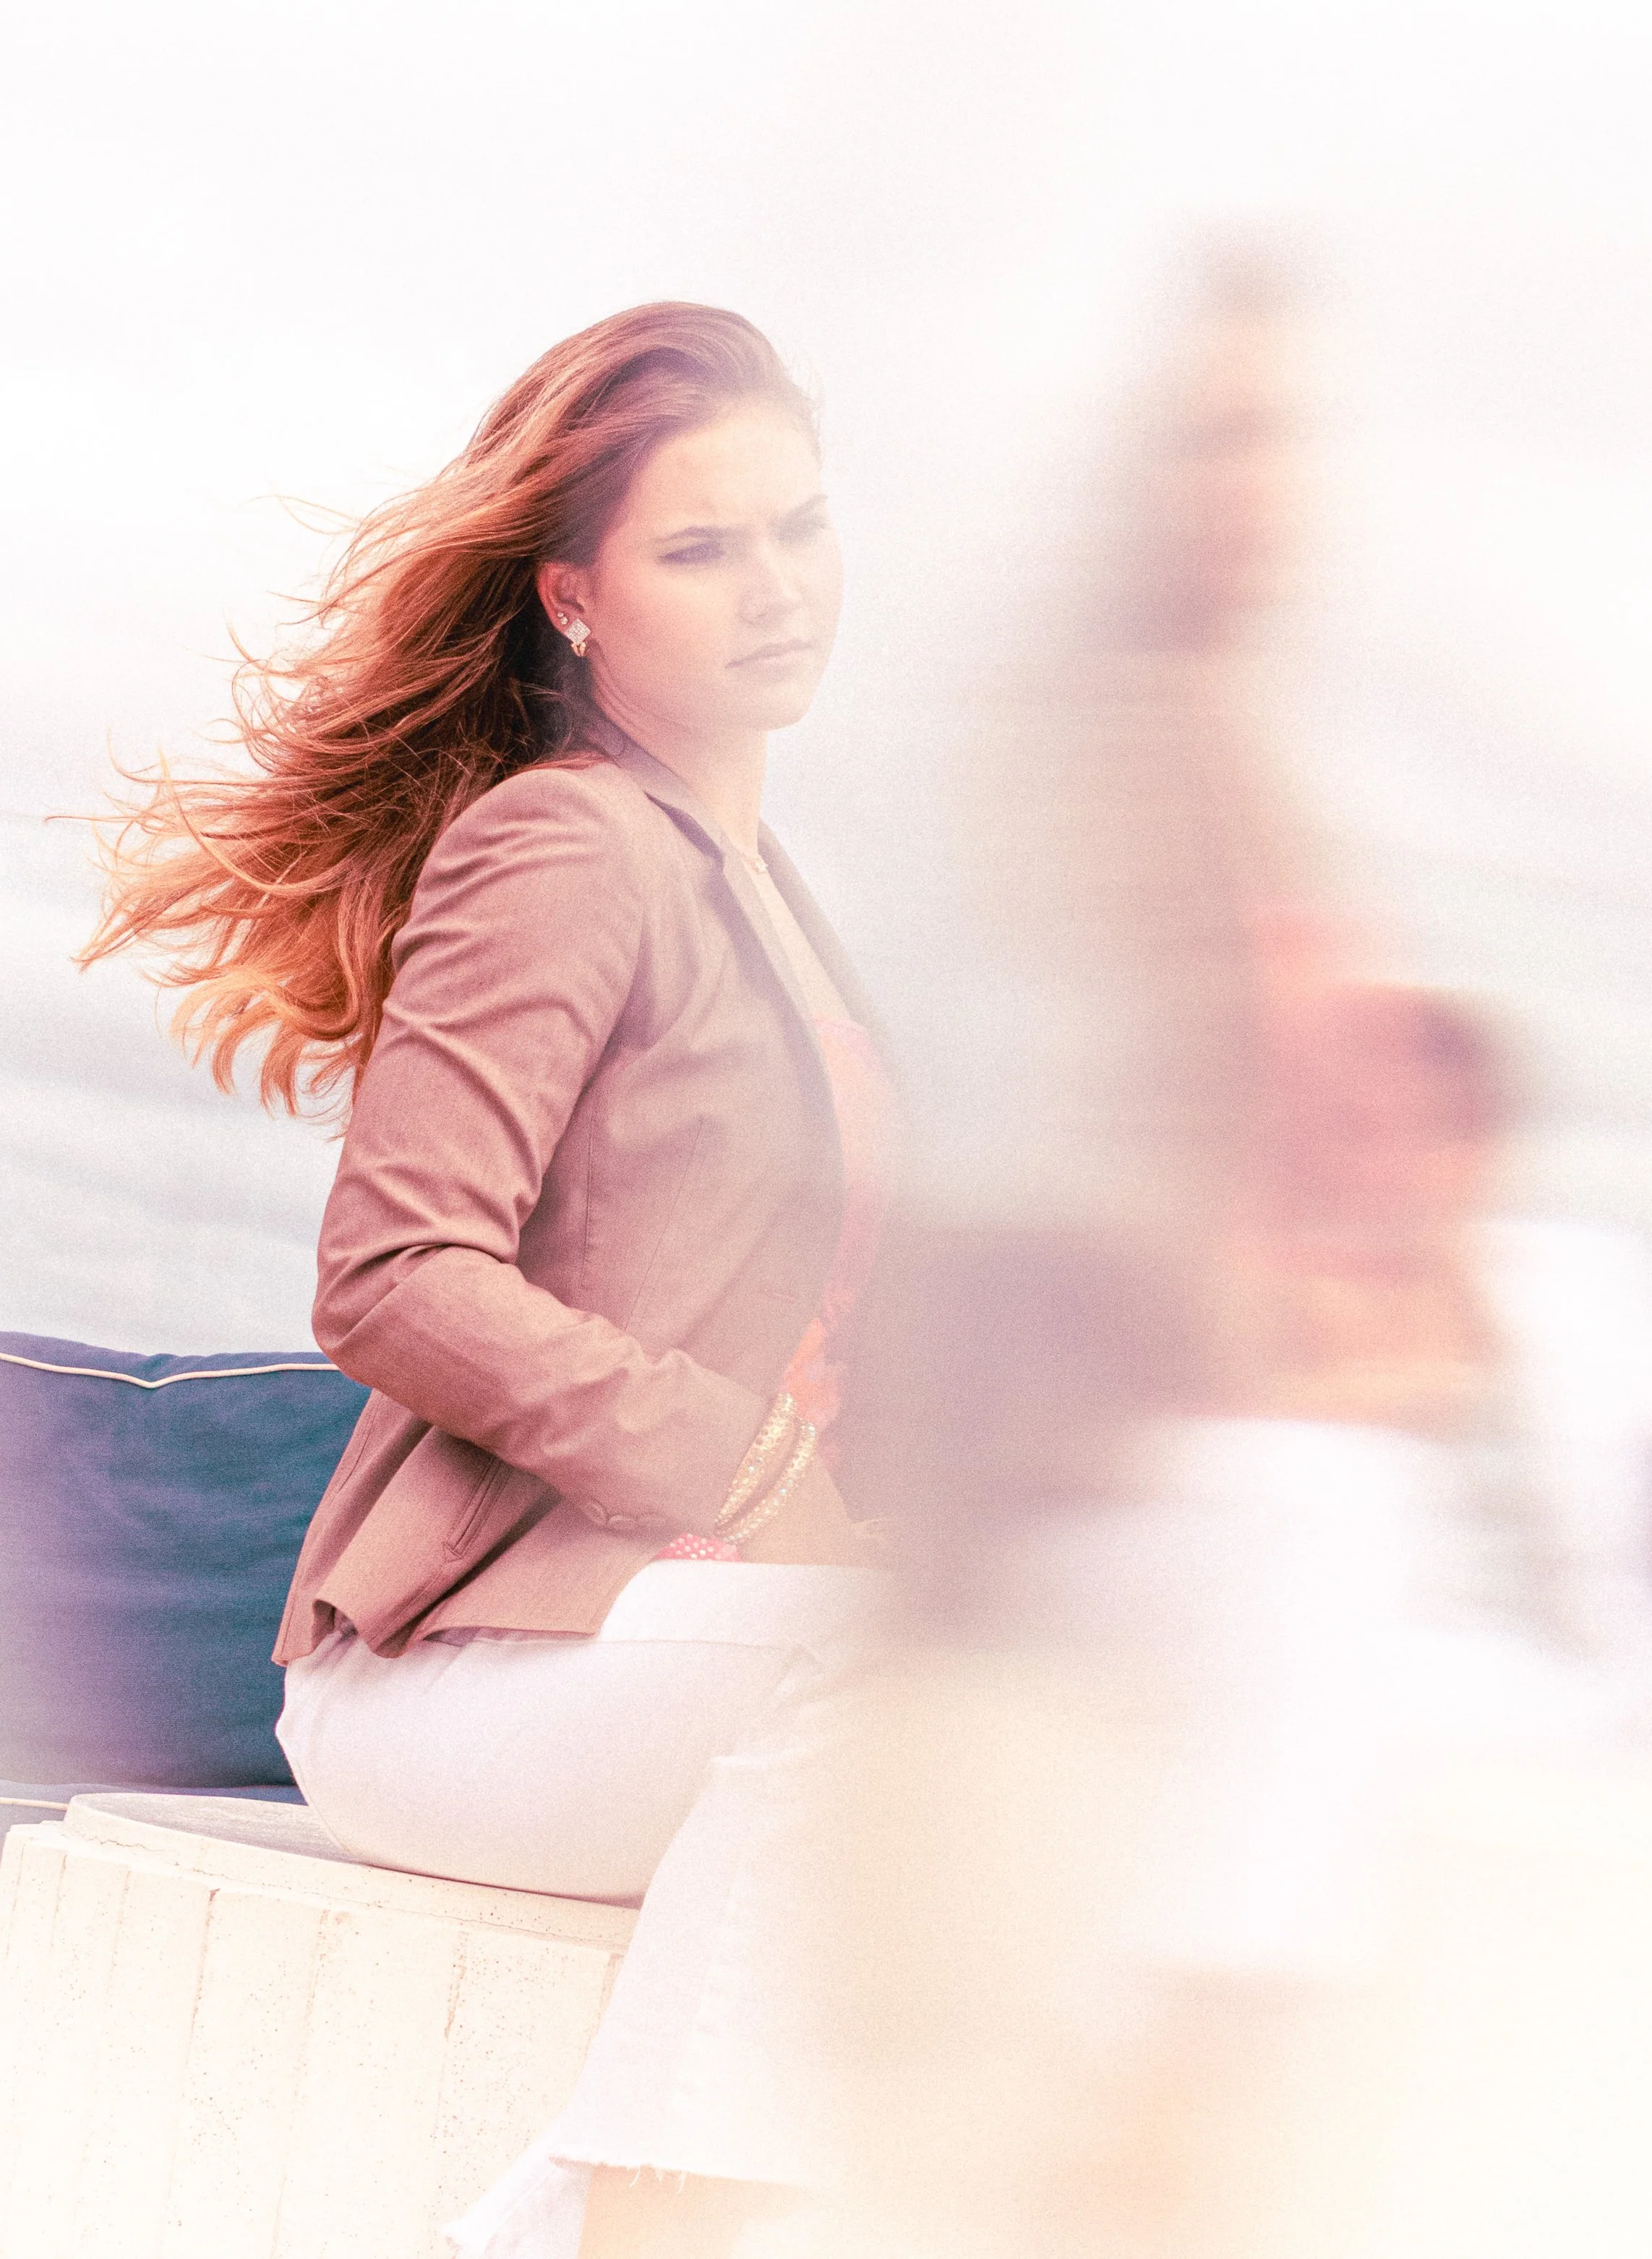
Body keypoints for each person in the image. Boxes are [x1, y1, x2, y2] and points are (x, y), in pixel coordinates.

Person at [84, 304, 899, 2259]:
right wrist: (749, 1470)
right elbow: (391, 1274)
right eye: (702, 548)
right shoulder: (561, 845)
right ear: (573, 599)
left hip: (676, 1662)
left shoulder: (782, 904)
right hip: (458, 1671)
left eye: (798, 528)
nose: (774, 588)